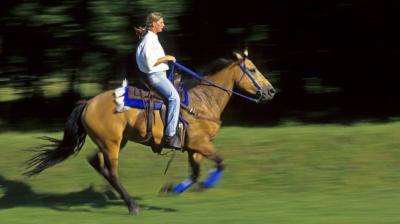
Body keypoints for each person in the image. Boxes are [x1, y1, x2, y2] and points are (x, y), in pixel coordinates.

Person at [135, 12, 181, 149]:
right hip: (155, 76)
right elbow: (150, 63)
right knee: (175, 98)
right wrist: (166, 58)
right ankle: (170, 135)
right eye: (161, 22)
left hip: (160, 74)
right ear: (154, 24)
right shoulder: (149, 40)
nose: (163, 25)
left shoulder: (152, 38)